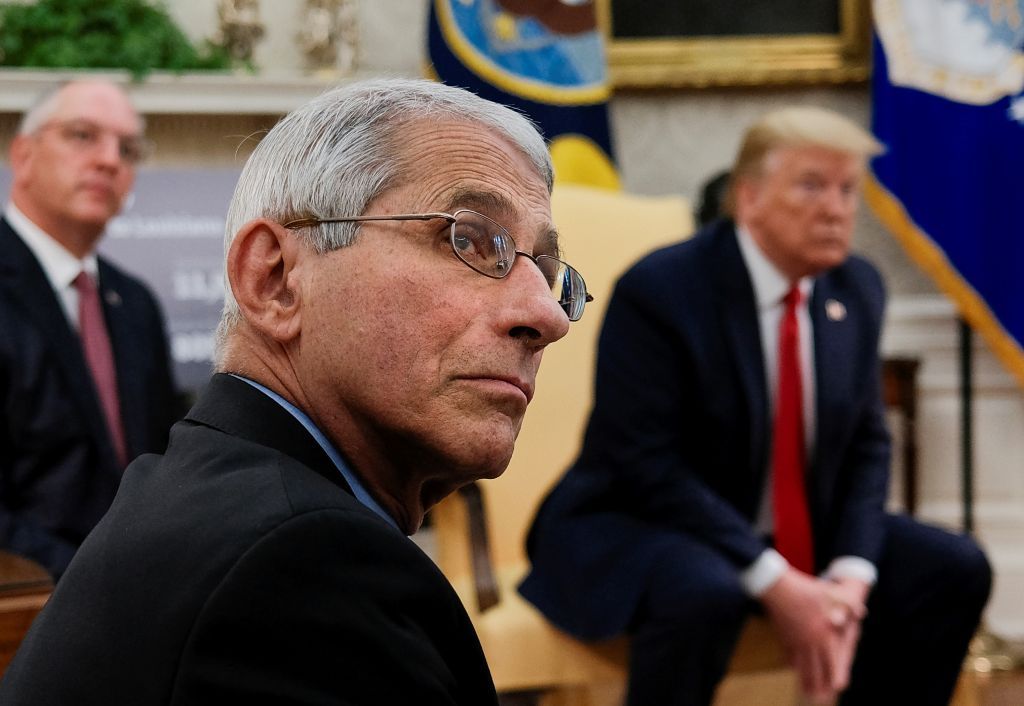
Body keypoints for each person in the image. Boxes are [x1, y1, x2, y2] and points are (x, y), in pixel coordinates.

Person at [0, 77, 590, 704]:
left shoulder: (224, 506)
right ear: (275, 279)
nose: (547, 316)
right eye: (467, 239)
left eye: (546, 270)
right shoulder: (301, 562)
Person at [520, 106, 991, 706]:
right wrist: (777, 581)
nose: (837, 209)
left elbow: (868, 443)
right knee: (705, 589)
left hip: (791, 528)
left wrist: (851, 574)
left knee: (954, 568)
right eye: (812, 186)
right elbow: (643, 463)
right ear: (749, 198)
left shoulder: (856, 287)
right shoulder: (663, 289)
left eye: (847, 189)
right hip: (642, 522)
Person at [0, 80, 178, 579]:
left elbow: (163, 462)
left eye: (127, 149)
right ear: (24, 155)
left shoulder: (135, 302)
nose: (109, 160)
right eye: (83, 135)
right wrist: (92, 581)